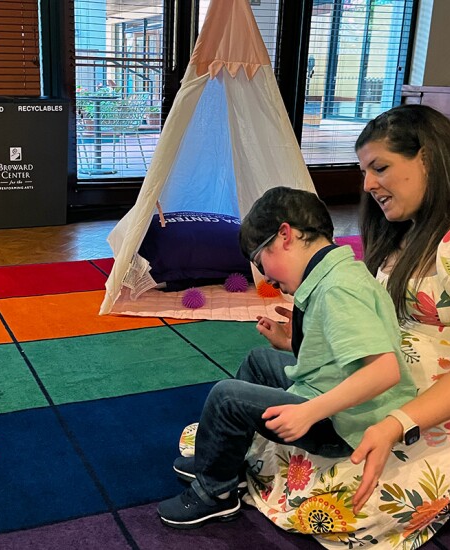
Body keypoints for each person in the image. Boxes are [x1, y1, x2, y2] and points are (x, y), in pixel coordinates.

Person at [241, 105, 450, 548]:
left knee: (342, 506)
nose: (368, 184)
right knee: (272, 447)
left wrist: (394, 423)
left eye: (381, 167)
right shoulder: (415, 225)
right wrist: (302, 343)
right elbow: (374, 324)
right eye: (365, 171)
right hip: (385, 390)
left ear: (429, 158)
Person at [157, 186, 417, 529]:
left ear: (285, 235)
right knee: (258, 360)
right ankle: (220, 457)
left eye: (261, 261)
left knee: (227, 396)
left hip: (343, 422)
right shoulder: (336, 274)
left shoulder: (338, 288)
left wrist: (309, 411)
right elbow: (338, 351)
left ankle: (215, 492)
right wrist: (290, 343)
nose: (265, 277)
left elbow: (384, 371)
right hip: (331, 392)